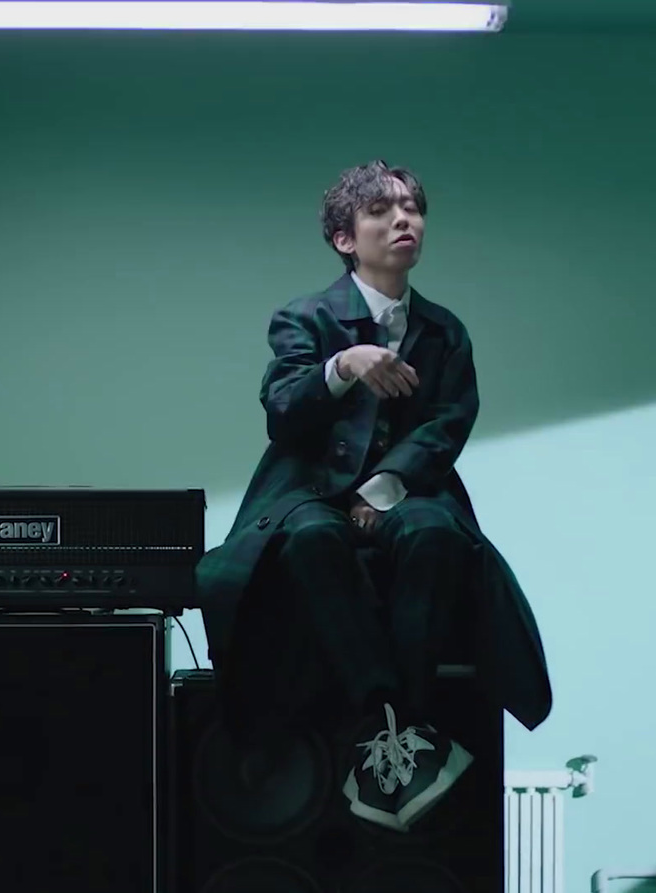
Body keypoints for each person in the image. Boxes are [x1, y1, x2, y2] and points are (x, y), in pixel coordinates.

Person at [195, 160, 554, 834]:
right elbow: (283, 413)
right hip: (306, 492)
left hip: (410, 489)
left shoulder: (446, 330)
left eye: (413, 208)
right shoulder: (303, 317)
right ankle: (387, 719)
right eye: (382, 211)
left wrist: (384, 489)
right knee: (310, 537)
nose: (403, 221)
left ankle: (401, 727)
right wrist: (343, 365)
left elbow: (450, 422)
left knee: (436, 535)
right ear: (344, 237)